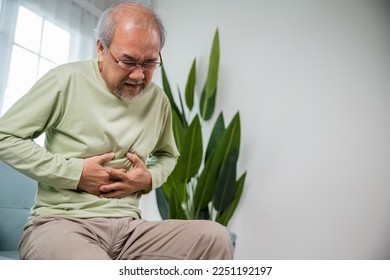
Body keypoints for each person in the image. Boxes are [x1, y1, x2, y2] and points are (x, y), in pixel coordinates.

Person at [0, 1, 233, 260]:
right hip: (61, 224)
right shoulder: (65, 81)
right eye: (128, 61)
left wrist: (149, 179)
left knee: (215, 237)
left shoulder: (158, 101)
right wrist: (75, 173)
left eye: (149, 63)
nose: (138, 75)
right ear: (101, 48)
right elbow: (5, 137)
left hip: (130, 231)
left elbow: (168, 156)